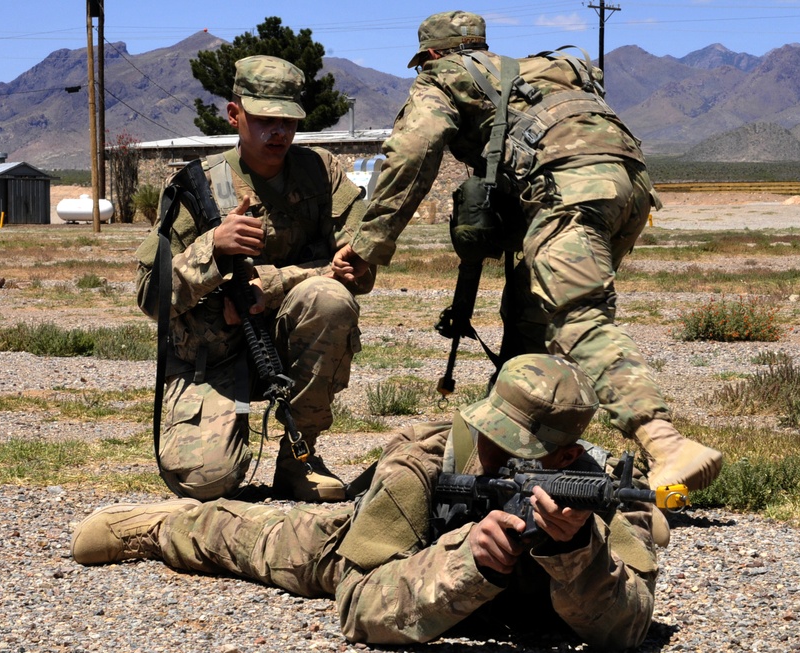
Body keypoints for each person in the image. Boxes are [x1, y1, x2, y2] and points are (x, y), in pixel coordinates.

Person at [332, 10, 722, 492]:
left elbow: (414, 149)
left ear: (431, 54)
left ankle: (665, 443)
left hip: (569, 191)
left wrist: (368, 244)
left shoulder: (444, 77)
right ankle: (515, 455)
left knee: (576, 318)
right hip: (631, 183)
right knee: (532, 324)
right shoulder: (527, 73)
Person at [71, 353, 666, 649]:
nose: (492, 450)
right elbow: (358, 608)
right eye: (492, 433)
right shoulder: (422, 461)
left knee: (647, 535)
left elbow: (631, 625)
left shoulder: (590, 495)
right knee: (252, 538)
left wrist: (576, 553)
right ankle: (161, 526)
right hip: (377, 548)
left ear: (564, 458)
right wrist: (470, 561)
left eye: (517, 447)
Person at [135, 55, 374, 503]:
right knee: (205, 482)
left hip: (286, 343)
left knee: (329, 299)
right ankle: (228, 433)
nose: (278, 132)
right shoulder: (200, 187)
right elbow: (151, 297)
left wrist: (277, 281)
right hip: (214, 355)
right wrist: (214, 247)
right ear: (235, 114)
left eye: (287, 120)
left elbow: (358, 270)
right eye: (264, 119)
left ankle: (298, 461)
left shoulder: (321, 174)